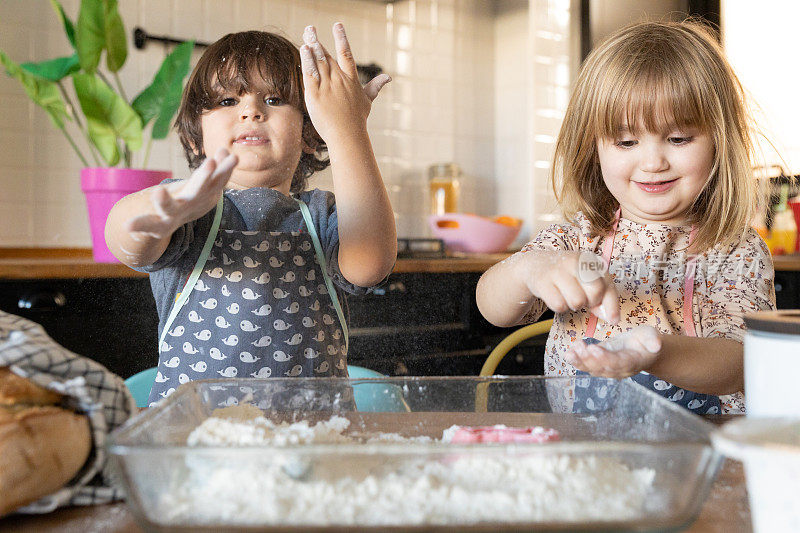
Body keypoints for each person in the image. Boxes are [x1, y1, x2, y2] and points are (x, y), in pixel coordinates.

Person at [476, 20, 776, 414]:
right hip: (591, 455)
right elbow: (491, 307)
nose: (653, 161)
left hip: (704, 458)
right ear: (594, 146)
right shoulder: (580, 239)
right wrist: (527, 269)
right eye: (626, 141)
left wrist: (655, 353)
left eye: (679, 138)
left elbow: (739, 364)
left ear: (720, 139)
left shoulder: (735, 248)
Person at [105, 24, 397, 406]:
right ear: (195, 137)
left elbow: (371, 265)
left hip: (310, 445)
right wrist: (156, 214)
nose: (251, 110)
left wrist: (347, 130)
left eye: (275, 99)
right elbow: (127, 242)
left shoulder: (321, 216)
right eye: (227, 101)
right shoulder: (187, 211)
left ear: (310, 134)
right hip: (197, 445)